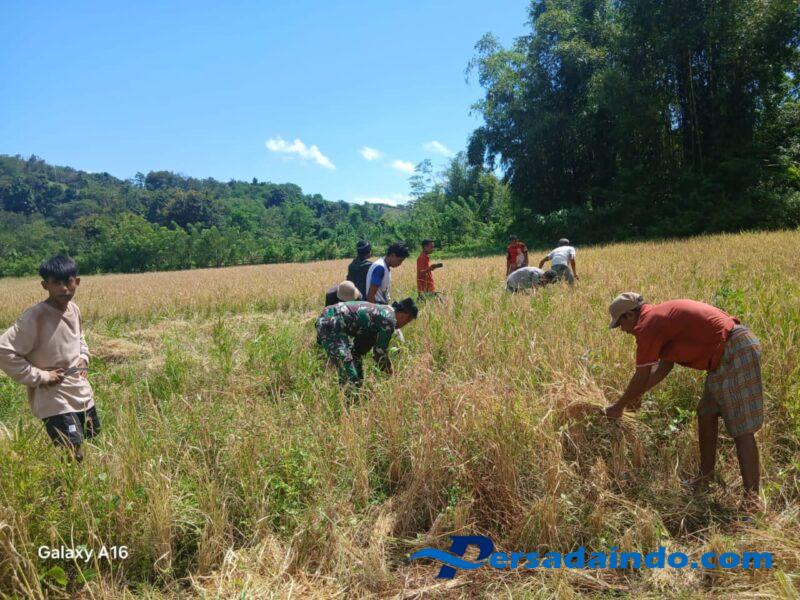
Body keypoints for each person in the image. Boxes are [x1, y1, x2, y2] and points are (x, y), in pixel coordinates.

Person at [604, 293, 764, 512]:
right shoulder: (660, 319)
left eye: (620, 323)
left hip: (734, 350)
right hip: (724, 354)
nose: (622, 330)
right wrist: (635, 396)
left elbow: (641, 375)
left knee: (741, 429)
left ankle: (752, 502)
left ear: (630, 315)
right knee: (706, 412)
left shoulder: (648, 325)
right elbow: (664, 366)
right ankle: (705, 477)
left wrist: (618, 406)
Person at [0, 255, 99, 462]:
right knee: (71, 449)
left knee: (89, 440)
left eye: (68, 282)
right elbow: (4, 350)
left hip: (79, 390)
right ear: (45, 285)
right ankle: (67, 482)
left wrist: (83, 356)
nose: (64, 288)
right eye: (57, 283)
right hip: (54, 396)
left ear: (77, 282)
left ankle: (79, 479)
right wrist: (41, 376)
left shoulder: (74, 309)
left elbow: (79, 337)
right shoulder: (35, 316)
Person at [315, 297, 419, 386]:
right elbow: (379, 353)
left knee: (356, 365)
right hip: (330, 322)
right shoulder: (389, 320)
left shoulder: (385, 311)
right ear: (404, 315)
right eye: (407, 321)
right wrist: (390, 371)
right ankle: (349, 400)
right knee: (350, 375)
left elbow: (361, 347)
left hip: (333, 321)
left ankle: (357, 391)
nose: (405, 324)